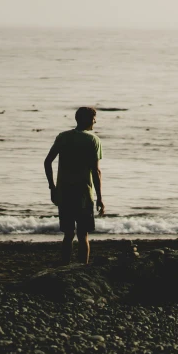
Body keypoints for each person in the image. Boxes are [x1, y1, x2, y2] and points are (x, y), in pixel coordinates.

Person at [44, 106, 104, 265]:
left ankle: (64, 267)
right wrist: (100, 198)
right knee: (83, 235)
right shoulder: (93, 140)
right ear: (86, 120)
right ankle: (82, 268)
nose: (95, 121)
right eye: (93, 118)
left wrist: (52, 187)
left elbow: (47, 162)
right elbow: (96, 172)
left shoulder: (63, 137)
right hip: (84, 194)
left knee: (68, 234)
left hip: (64, 193)